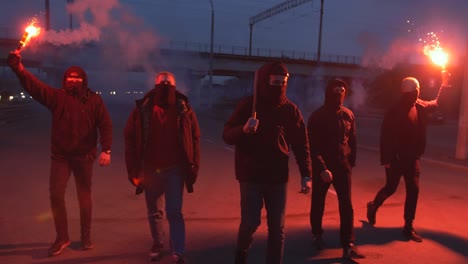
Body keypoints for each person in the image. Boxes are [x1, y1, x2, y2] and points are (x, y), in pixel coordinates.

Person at [6, 51, 113, 256]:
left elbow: (106, 125)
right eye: (69, 78)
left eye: (77, 78)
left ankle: (86, 237)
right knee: (56, 195)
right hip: (61, 156)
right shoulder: (57, 97)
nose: (72, 81)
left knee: (84, 197)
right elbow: (35, 87)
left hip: (84, 156)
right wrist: (19, 69)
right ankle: (61, 237)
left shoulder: (94, 101)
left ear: (84, 80)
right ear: (64, 80)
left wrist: (106, 149)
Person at [223, 61, 312, 264]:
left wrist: (306, 174)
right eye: (275, 82)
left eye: (283, 82)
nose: (279, 86)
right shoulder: (248, 105)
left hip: (277, 177)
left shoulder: (291, 110)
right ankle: (241, 253)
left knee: (277, 229)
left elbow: (301, 144)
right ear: (265, 81)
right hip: (251, 174)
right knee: (250, 223)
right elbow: (227, 134)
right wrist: (243, 130)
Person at [124, 71, 200, 263]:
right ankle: (158, 243)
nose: (165, 85)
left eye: (169, 83)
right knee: (154, 211)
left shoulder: (184, 109)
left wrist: (194, 167)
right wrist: (133, 170)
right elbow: (130, 139)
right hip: (151, 168)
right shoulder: (144, 109)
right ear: (155, 85)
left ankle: (178, 249)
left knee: (174, 211)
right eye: (162, 82)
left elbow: (195, 138)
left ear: (174, 86)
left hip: (175, 168)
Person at [366, 72, 450, 242]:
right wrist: (387, 160)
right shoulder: (394, 111)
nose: (419, 92)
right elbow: (386, 136)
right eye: (417, 89)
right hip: (396, 159)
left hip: (412, 158)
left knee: (413, 190)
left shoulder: (418, 105)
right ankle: (373, 206)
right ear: (412, 91)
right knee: (391, 188)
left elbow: (436, 103)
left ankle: (408, 226)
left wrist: (445, 84)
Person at [307, 78, 365, 259]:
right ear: (328, 92)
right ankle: (317, 235)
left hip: (342, 166)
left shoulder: (348, 115)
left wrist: (351, 162)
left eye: (342, 90)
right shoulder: (317, 117)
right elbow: (312, 147)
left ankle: (348, 243)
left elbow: (353, 140)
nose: (339, 93)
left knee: (346, 205)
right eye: (336, 90)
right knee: (318, 202)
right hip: (323, 168)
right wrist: (322, 168)